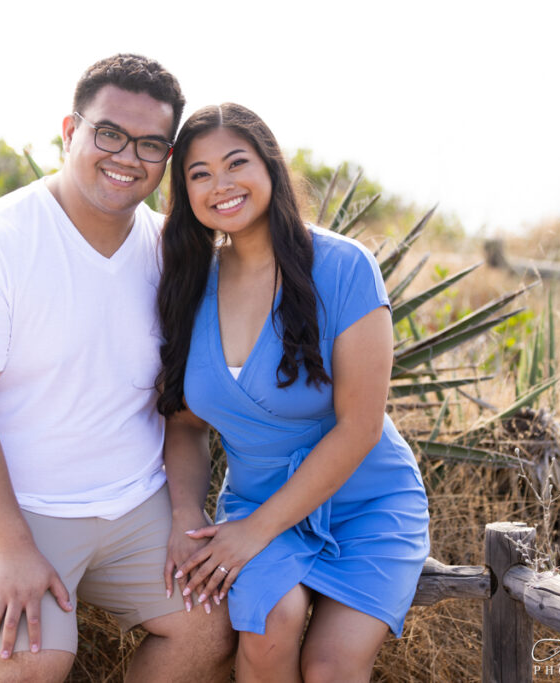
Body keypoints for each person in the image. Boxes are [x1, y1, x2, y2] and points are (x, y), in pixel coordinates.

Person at [0, 55, 234, 683]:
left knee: (210, 629)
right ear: (69, 130)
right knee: (35, 660)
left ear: (167, 157)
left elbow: (182, 413)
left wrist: (187, 509)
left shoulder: (173, 254)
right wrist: (11, 545)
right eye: (109, 133)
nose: (127, 156)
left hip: (130, 502)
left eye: (150, 144)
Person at [157, 103, 431, 683]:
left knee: (331, 667)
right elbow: (183, 424)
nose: (220, 184)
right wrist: (185, 513)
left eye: (236, 163)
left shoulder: (344, 266)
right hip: (255, 501)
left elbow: (360, 426)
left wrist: (253, 535)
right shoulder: (188, 280)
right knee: (268, 627)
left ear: (271, 166)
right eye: (200, 173)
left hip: (368, 503)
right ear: (185, 192)